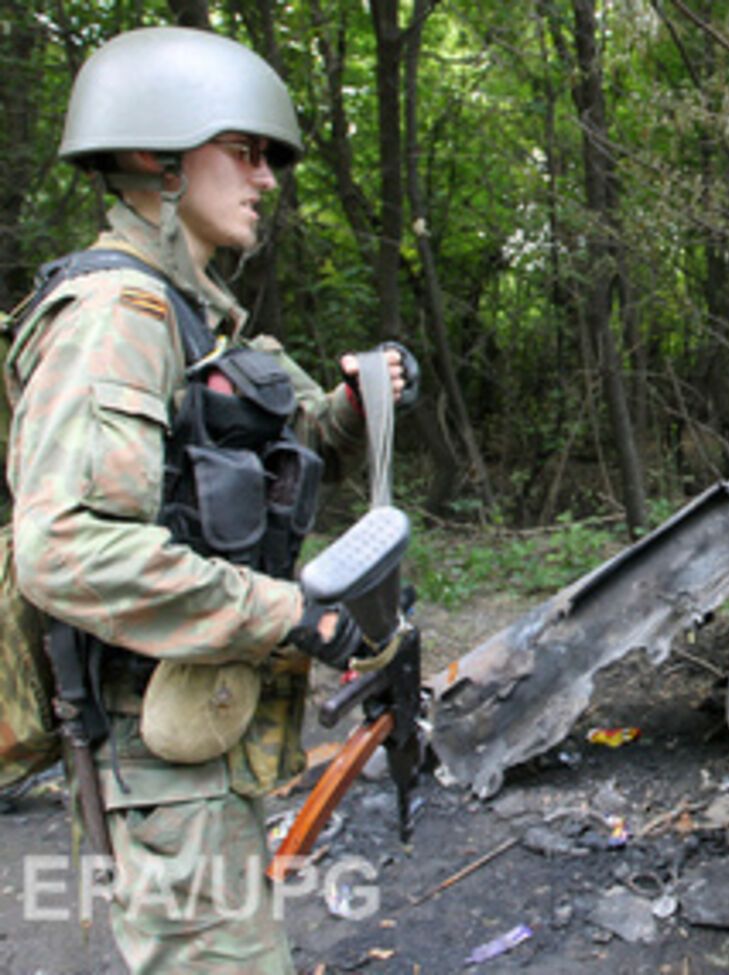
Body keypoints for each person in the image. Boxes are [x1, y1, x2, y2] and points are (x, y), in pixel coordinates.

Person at [4, 25, 414, 974]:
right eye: (245, 151)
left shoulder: (195, 321)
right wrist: (287, 614)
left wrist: (357, 404)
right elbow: (63, 544)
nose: (266, 177)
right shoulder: (116, 319)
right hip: (154, 750)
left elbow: (277, 462)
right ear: (158, 155)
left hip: (201, 730)